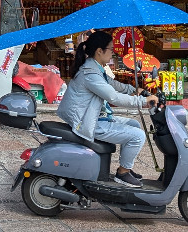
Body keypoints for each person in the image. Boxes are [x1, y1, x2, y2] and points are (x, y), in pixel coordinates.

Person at [57, 30, 157, 189]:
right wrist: (143, 101)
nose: (113, 53)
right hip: (88, 121)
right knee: (138, 136)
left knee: (134, 125)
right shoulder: (90, 74)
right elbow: (113, 97)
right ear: (99, 51)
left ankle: (126, 167)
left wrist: (132, 90)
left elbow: (112, 85)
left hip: (97, 116)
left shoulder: (96, 68)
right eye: (111, 49)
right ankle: (123, 173)